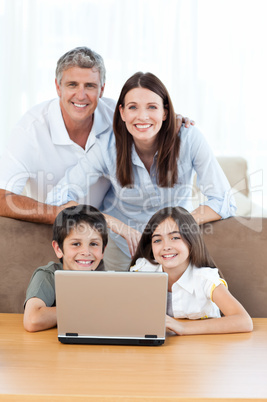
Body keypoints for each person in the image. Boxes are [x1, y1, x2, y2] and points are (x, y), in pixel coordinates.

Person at [46, 72, 236, 271]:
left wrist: (176, 225)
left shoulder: (189, 139)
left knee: (171, 301)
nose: (142, 116)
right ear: (122, 112)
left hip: (172, 246)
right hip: (122, 247)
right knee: (123, 301)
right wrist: (115, 224)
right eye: (133, 107)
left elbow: (224, 200)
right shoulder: (107, 146)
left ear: (165, 112)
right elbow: (57, 197)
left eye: (152, 107)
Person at [0, 47, 190, 224]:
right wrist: (56, 213)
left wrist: (171, 123)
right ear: (58, 87)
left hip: (110, 230)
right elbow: (2, 197)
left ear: (102, 89)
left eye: (90, 86)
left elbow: (148, 123)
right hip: (53, 228)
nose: (81, 95)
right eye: (72, 85)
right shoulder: (30, 130)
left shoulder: (118, 117)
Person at [130, 206, 253, 335]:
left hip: (203, 348)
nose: (166, 247)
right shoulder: (142, 271)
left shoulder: (206, 279)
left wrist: (182, 328)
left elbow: (244, 321)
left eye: (175, 238)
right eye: (157, 240)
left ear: (191, 240)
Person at [23, 205, 108, 332]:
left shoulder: (107, 279)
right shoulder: (48, 275)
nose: (86, 252)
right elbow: (32, 320)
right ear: (58, 249)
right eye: (76, 244)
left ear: (103, 250)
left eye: (94, 244)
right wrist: (85, 309)